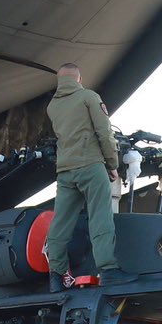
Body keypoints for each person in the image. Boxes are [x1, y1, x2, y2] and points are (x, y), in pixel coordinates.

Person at [41, 62, 125, 285]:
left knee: (61, 222)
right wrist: (112, 163)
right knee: (100, 216)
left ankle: (56, 276)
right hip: (90, 165)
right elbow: (104, 132)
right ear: (79, 79)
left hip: (65, 171)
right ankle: (108, 270)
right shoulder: (88, 97)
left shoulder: (53, 106)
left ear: (60, 81)